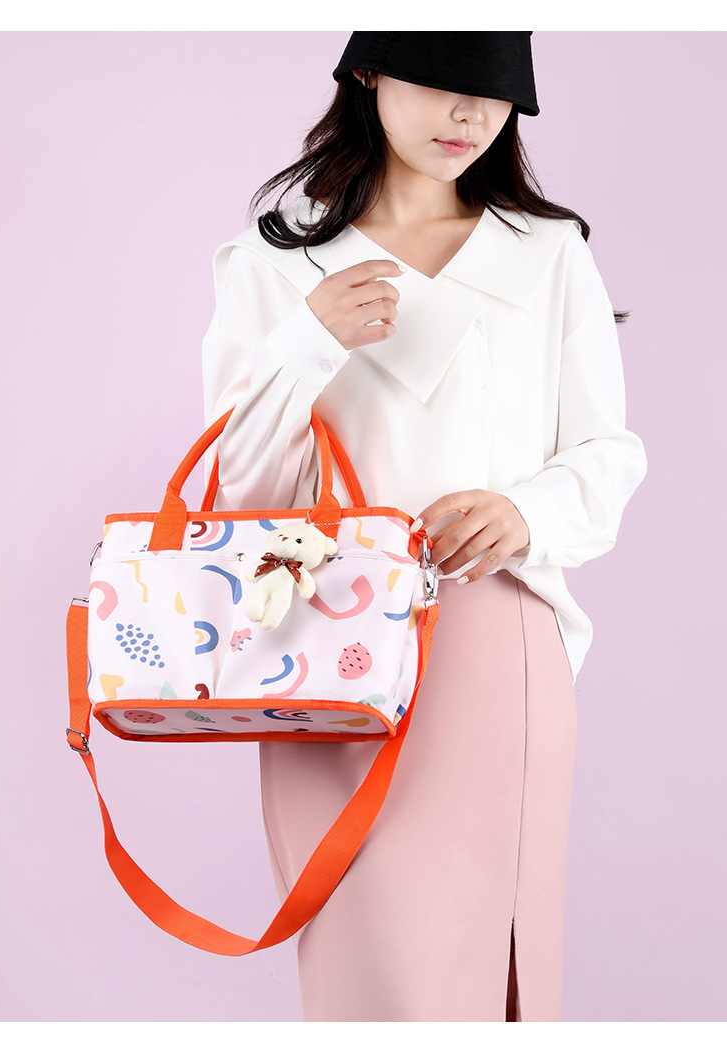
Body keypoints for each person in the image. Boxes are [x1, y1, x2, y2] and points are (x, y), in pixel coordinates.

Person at [201, 31, 647, 1023]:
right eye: (441, 84)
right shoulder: (277, 261)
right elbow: (242, 493)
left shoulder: (546, 254)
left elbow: (608, 453)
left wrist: (523, 512)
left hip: (491, 637)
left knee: (486, 965)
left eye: (495, 96)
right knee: (364, 969)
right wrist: (307, 341)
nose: (468, 116)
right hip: (322, 644)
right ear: (367, 72)